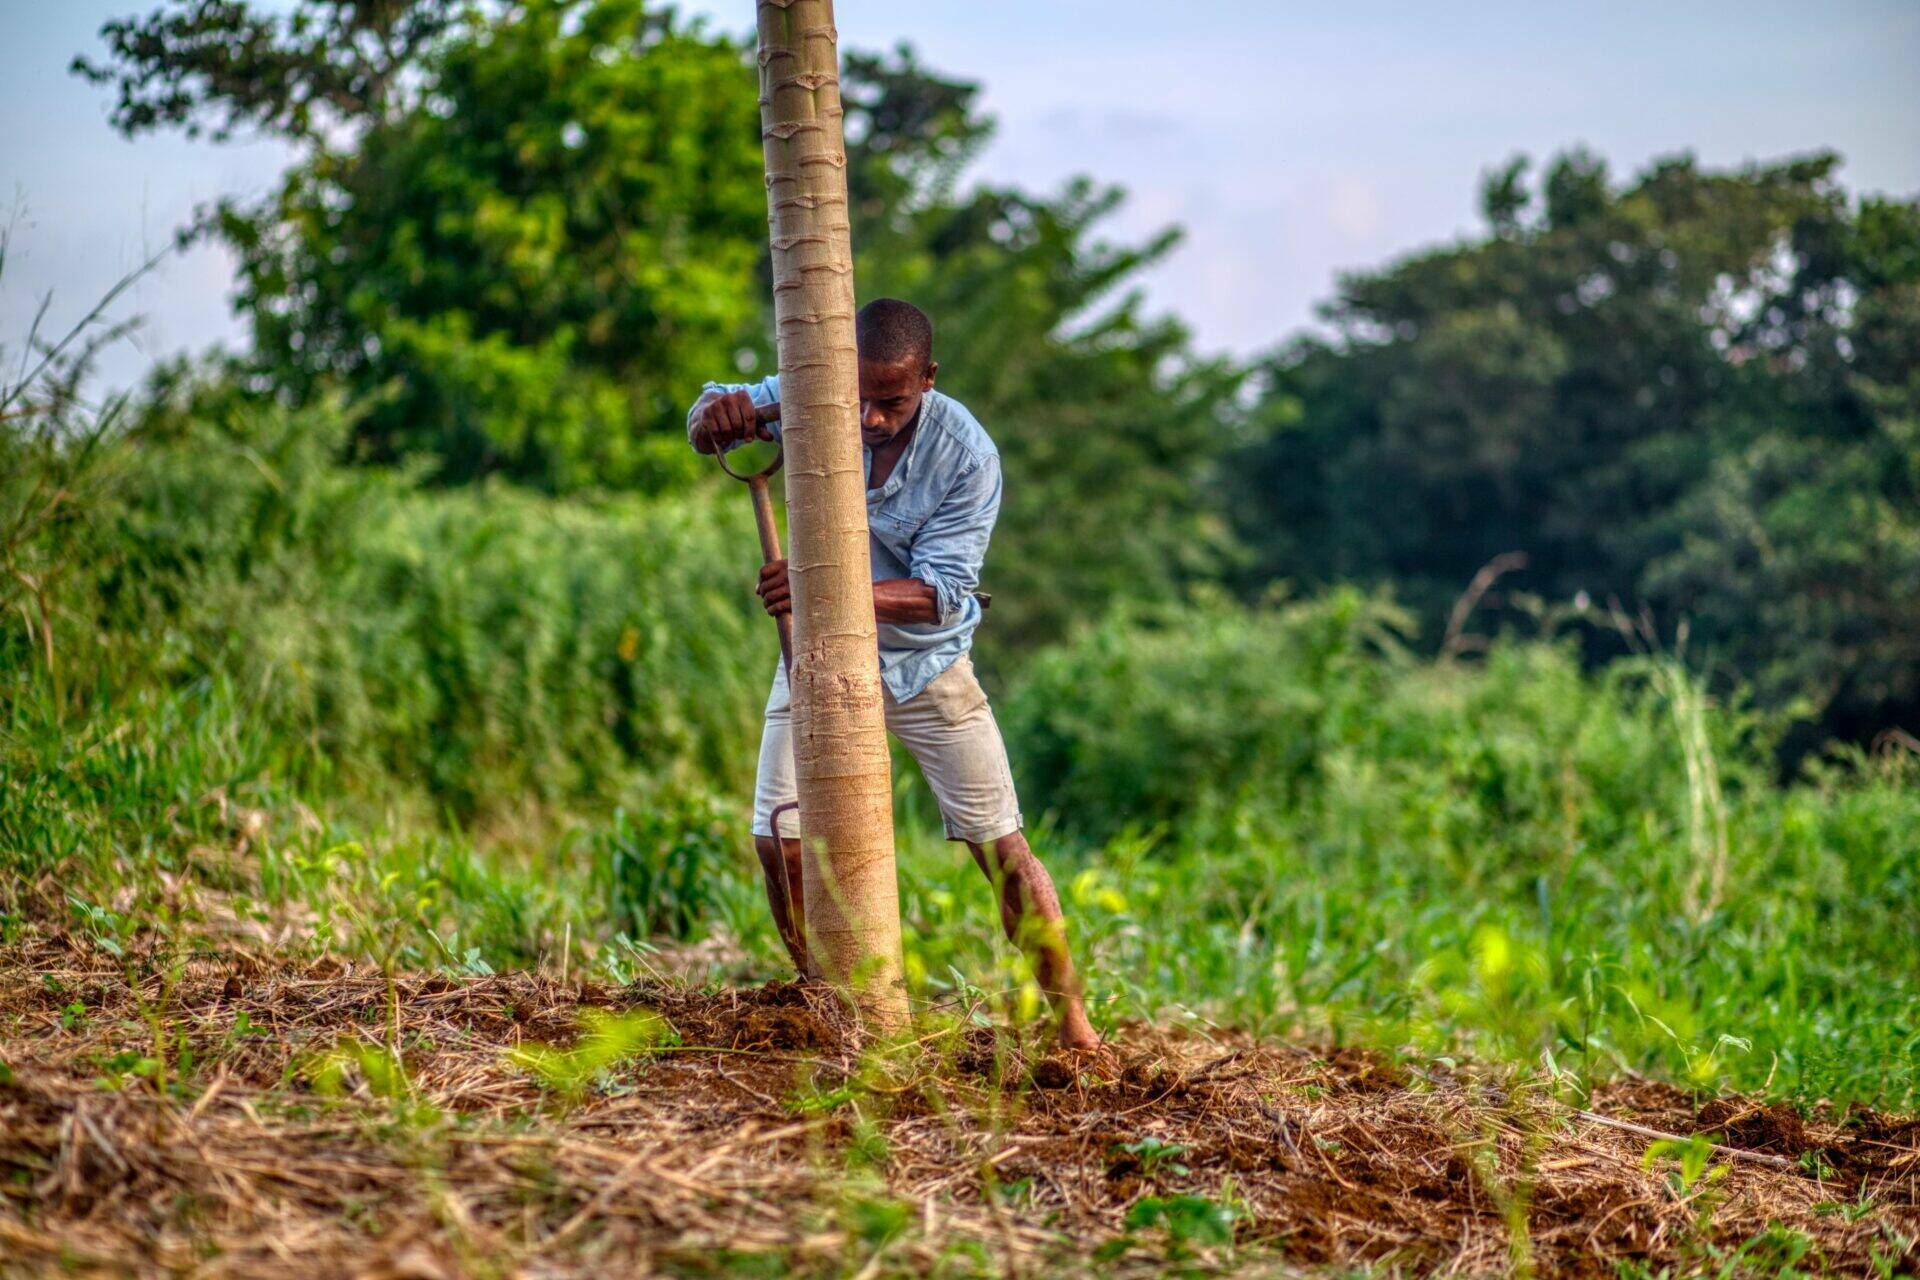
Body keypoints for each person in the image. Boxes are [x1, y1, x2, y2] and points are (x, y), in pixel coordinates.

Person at [688, 298, 1100, 1050]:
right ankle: (827, 1004)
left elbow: (942, 597)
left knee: (1002, 847)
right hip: (814, 661)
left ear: (929, 379)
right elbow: (710, 414)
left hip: (928, 667)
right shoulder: (811, 394)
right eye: (858, 398)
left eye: (893, 401)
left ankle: (1074, 1028)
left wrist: (819, 588)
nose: (871, 418)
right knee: (778, 840)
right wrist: (714, 417)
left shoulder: (968, 456)